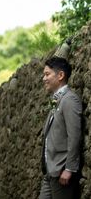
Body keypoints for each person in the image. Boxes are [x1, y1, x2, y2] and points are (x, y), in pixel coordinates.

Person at [40, 56, 82, 199]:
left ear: (60, 75)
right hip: (50, 172)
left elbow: (74, 136)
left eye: (47, 74)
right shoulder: (56, 100)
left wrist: (69, 168)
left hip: (62, 172)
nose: (44, 78)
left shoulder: (69, 100)